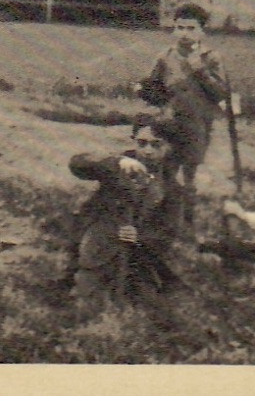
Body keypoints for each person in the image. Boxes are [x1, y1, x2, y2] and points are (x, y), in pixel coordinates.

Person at [65, 115, 187, 309]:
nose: (147, 151)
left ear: (170, 147)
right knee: (88, 299)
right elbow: (78, 164)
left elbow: (169, 229)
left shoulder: (171, 187)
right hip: (100, 244)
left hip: (138, 254)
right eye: (142, 143)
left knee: (147, 302)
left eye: (157, 145)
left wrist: (140, 235)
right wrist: (117, 162)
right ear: (134, 142)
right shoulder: (117, 165)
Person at [139, 3, 229, 218]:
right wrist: (145, 90)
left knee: (190, 169)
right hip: (168, 121)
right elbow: (151, 85)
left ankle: (187, 215)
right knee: (165, 167)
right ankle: (159, 212)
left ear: (202, 31)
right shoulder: (165, 56)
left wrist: (200, 69)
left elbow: (220, 93)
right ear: (173, 29)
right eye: (180, 28)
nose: (185, 34)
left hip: (197, 122)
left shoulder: (211, 57)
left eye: (191, 28)